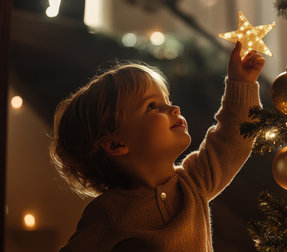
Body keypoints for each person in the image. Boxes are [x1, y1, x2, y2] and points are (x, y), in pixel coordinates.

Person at [50, 41, 265, 251]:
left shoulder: (193, 183)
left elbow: (233, 140)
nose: (173, 108)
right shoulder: (109, 213)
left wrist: (241, 83)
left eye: (167, 100)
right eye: (152, 106)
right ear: (117, 144)